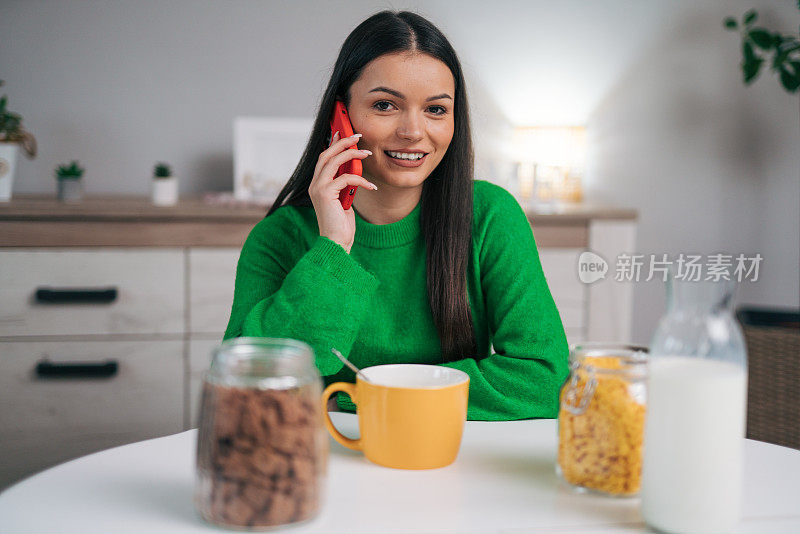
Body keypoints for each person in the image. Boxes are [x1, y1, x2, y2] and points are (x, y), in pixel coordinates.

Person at [223, 10, 568, 421]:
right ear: (342, 115)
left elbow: (545, 378)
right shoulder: (279, 237)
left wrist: (361, 398)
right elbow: (247, 391)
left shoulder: (490, 215)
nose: (413, 131)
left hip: (447, 457)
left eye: (436, 110)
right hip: (324, 461)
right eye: (385, 105)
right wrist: (333, 249)